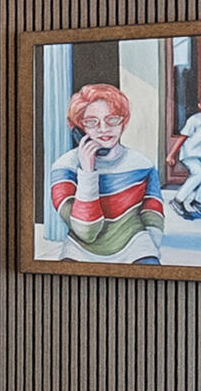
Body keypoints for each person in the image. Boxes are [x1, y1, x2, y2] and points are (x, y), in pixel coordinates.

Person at [44, 82, 165, 264]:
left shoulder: (142, 165)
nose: (103, 128)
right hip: (80, 250)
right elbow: (86, 231)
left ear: (124, 121)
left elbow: (152, 212)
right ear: (77, 127)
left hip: (135, 246)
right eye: (91, 122)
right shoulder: (64, 168)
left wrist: (151, 246)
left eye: (112, 119)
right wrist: (87, 172)